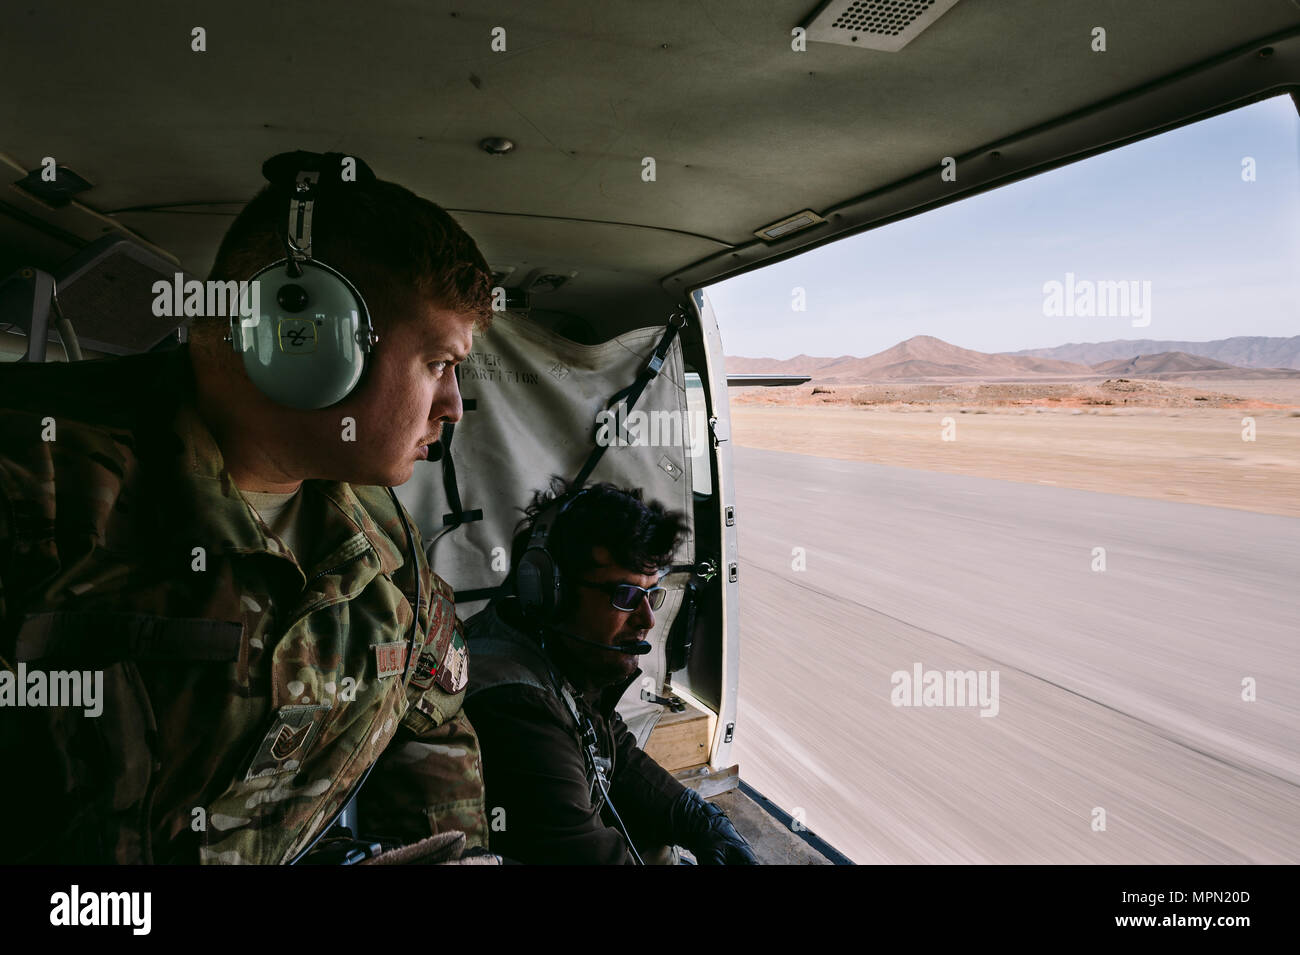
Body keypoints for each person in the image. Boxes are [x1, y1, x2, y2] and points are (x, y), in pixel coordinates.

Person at [0, 151, 492, 864]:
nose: (453, 406)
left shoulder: (384, 541)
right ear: (306, 341)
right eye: (440, 363)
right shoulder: (35, 484)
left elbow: (436, 719)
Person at [463, 479, 757, 865]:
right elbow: (585, 853)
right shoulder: (517, 707)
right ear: (551, 593)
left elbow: (609, 745)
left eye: (651, 593)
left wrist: (699, 819)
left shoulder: (552, 650)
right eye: (625, 595)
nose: (647, 619)